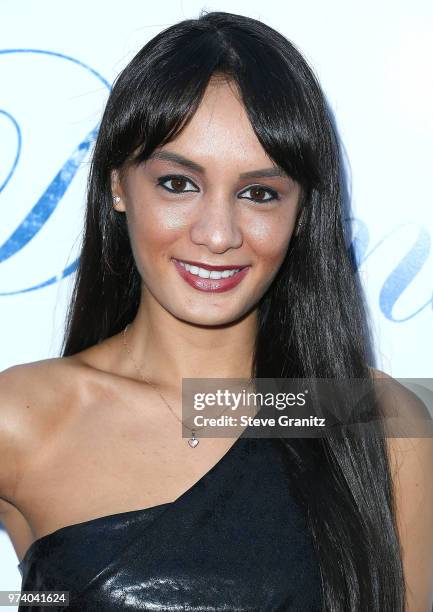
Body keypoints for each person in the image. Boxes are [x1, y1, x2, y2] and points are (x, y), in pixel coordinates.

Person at [1, 9, 432, 612]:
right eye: (179, 183)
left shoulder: (376, 423)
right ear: (118, 184)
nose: (218, 233)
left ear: (302, 210)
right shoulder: (21, 417)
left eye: (259, 193)